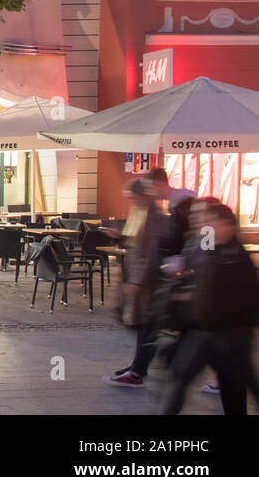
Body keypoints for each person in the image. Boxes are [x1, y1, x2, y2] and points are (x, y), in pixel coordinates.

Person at [160, 203, 259, 415]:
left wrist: (189, 294)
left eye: (208, 220)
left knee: (240, 385)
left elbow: (235, 294)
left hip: (232, 334)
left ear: (225, 224)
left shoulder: (237, 255)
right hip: (207, 331)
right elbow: (198, 270)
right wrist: (183, 271)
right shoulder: (210, 243)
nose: (202, 223)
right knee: (182, 380)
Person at [104, 177, 171, 388]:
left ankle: (139, 370)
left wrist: (137, 282)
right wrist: (120, 238)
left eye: (133, 198)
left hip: (146, 282)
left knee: (146, 326)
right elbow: (134, 243)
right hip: (136, 278)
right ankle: (138, 366)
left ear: (143, 196)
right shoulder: (139, 214)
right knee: (142, 326)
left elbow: (150, 253)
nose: (131, 202)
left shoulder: (153, 217)